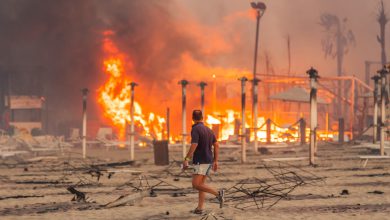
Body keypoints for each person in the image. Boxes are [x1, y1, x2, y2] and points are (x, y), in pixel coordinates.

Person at [182, 110, 224, 214]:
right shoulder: (209, 130)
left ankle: (218, 194)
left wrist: (186, 159)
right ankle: (199, 209)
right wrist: (215, 161)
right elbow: (217, 145)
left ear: (192, 118)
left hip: (201, 161)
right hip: (209, 160)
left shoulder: (195, 129)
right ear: (202, 118)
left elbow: (194, 144)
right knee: (201, 184)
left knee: (195, 184)